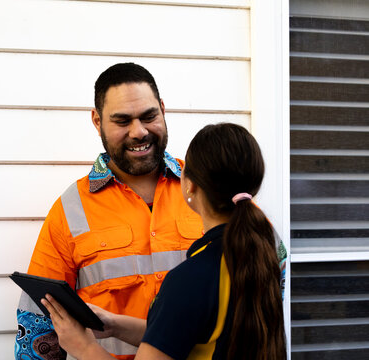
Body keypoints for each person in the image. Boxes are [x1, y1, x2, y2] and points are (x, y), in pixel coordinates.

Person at [41, 123, 287, 360]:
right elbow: (185, 330)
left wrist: (83, 348)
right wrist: (115, 325)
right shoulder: (260, 256)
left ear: (189, 186)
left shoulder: (190, 279)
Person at [15, 62, 205, 360]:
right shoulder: (70, 209)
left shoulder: (209, 185)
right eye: (122, 121)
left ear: (163, 110)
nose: (139, 131)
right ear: (97, 120)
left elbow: (268, 263)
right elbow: (38, 322)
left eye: (149, 116)